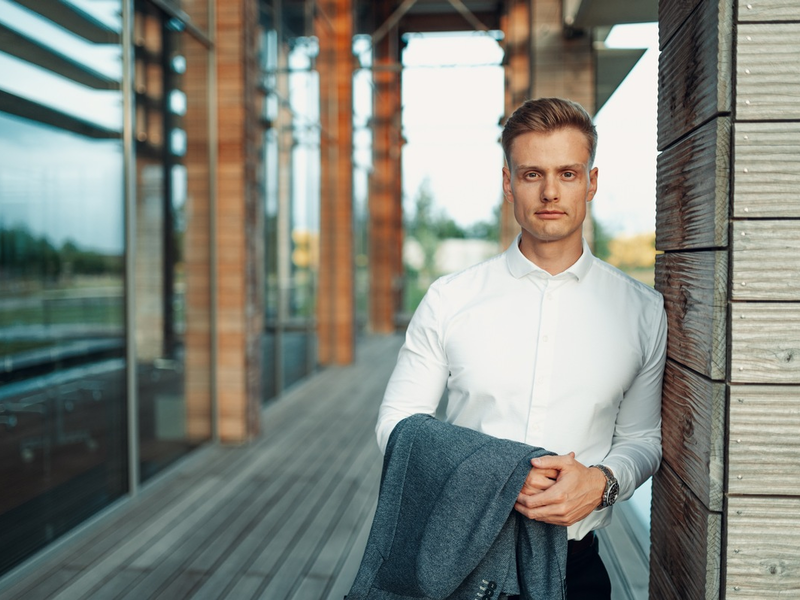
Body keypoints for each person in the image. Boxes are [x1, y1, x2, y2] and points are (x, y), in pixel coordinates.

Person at [376, 97, 667, 600]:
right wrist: (500, 476)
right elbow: (397, 424)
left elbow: (643, 437)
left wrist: (601, 483)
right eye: (532, 174)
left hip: (574, 568)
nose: (550, 191)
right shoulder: (450, 299)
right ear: (509, 182)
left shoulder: (642, 311)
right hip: (459, 559)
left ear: (592, 181)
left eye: (568, 174)